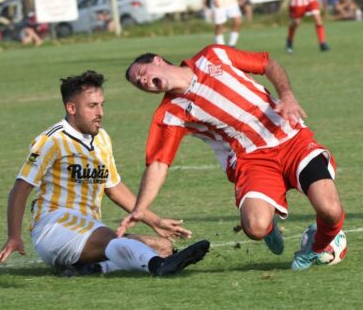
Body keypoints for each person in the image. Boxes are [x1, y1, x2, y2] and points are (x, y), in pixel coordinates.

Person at [120, 46, 346, 271]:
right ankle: (268, 227)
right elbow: (158, 164)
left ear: (158, 61)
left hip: (292, 139)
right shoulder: (170, 113)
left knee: (330, 209)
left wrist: (286, 95)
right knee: (255, 228)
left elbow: (269, 64)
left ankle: (315, 249)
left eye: (142, 74)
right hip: (253, 161)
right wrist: (140, 209)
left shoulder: (213, 56)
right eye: (139, 84)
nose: (143, 82)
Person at [0, 70, 210, 277]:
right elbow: (20, 189)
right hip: (54, 227)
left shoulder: (102, 138)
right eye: (92, 106)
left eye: (101, 105)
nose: (100, 113)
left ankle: (93, 269)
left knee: (163, 246)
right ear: (72, 108)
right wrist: (14, 236)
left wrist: (154, 220)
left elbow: (114, 188)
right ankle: (158, 267)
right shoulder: (53, 140)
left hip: (88, 229)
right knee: (122, 244)